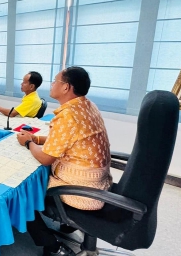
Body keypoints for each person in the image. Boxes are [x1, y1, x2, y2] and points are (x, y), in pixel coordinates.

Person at [16, 67, 111, 256]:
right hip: (99, 181)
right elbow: (65, 140)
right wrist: (37, 139)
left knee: (23, 193)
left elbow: (45, 159)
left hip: (82, 190)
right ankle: (69, 224)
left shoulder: (68, 116)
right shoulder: (86, 106)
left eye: (55, 81)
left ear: (66, 87)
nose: (51, 85)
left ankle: (52, 246)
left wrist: (28, 142)